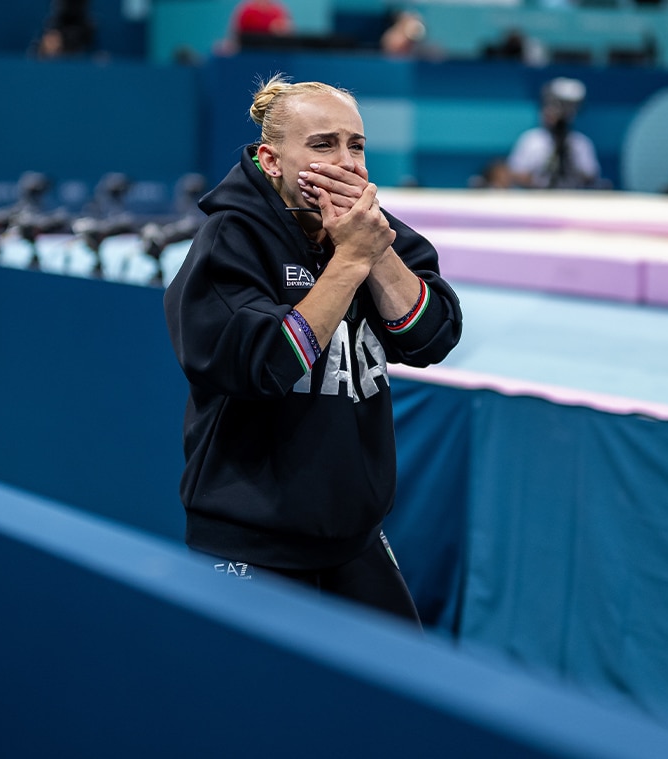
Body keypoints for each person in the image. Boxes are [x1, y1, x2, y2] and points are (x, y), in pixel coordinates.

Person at [163, 74, 463, 627]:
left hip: (354, 538)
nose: (347, 161)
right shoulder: (232, 238)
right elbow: (262, 363)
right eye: (323, 144)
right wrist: (350, 263)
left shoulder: (373, 235)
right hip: (253, 540)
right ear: (271, 160)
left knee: (397, 700)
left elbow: (433, 336)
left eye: (357, 145)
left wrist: (374, 254)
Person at [507, 77, 603, 190]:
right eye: (553, 105)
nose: (558, 113)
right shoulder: (531, 140)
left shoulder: (580, 143)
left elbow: (591, 175)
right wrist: (541, 180)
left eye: (567, 108)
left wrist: (570, 163)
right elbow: (515, 173)